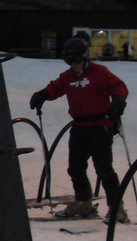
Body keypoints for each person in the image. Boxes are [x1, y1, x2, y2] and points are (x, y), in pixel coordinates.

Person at [29, 35, 129, 222]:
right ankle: (83, 202)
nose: (73, 64)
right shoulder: (67, 77)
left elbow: (118, 85)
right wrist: (43, 94)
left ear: (85, 57)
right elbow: (56, 87)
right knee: (75, 168)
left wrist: (118, 98)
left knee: (104, 169)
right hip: (79, 127)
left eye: (76, 60)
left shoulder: (99, 72)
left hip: (100, 126)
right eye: (69, 60)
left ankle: (117, 209)